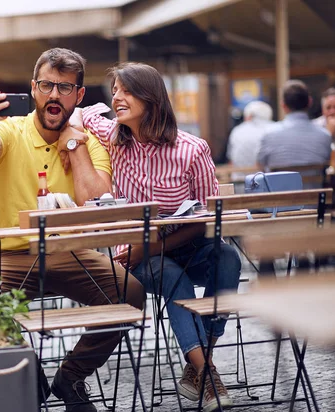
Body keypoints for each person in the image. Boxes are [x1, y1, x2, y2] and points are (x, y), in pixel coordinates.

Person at [0, 48, 144, 412]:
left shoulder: (90, 142)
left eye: (64, 88)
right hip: (10, 255)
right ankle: (28, 375)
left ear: (79, 96)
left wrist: (75, 143)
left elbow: (98, 203)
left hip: (71, 254)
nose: (53, 95)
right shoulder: (8, 130)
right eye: (46, 85)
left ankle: (71, 377)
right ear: (33, 89)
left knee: (130, 292)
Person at [73, 62, 241, 412]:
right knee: (169, 274)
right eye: (115, 90)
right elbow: (83, 113)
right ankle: (208, 375)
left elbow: (209, 221)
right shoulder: (114, 138)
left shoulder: (192, 150)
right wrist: (75, 130)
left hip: (186, 246)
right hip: (136, 258)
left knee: (228, 257)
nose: (117, 96)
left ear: (151, 98)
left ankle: (199, 367)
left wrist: (154, 244)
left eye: (126, 90)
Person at [257, 80, 331, 170]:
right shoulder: (325, 135)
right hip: (314, 184)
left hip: (280, 184)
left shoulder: (268, 134)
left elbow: (260, 165)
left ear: (283, 105)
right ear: (310, 102)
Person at [226, 100, 274, 167]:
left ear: (249, 115)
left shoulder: (237, 131)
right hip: (266, 176)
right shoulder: (274, 129)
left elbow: (231, 160)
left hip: (239, 176)